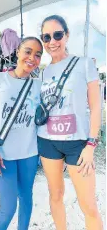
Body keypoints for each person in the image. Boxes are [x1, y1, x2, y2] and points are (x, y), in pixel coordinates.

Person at [37, 15, 103, 230]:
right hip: (47, 141)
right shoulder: (43, 72)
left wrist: (91, 145)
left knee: (89, 206)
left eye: (57, 35)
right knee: (55, 195)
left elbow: (95, 107)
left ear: (66, 35)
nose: (52, 41)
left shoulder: (84, 64)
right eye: (46, 37)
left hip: (78, 142)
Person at [0, 36, 43, 230]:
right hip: (3, 155)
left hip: (29, 154)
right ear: (17, 51)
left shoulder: (38, 85)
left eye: (38, 55)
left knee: (26, 199)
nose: (32, 58)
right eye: (28, 51)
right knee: (8, 208)